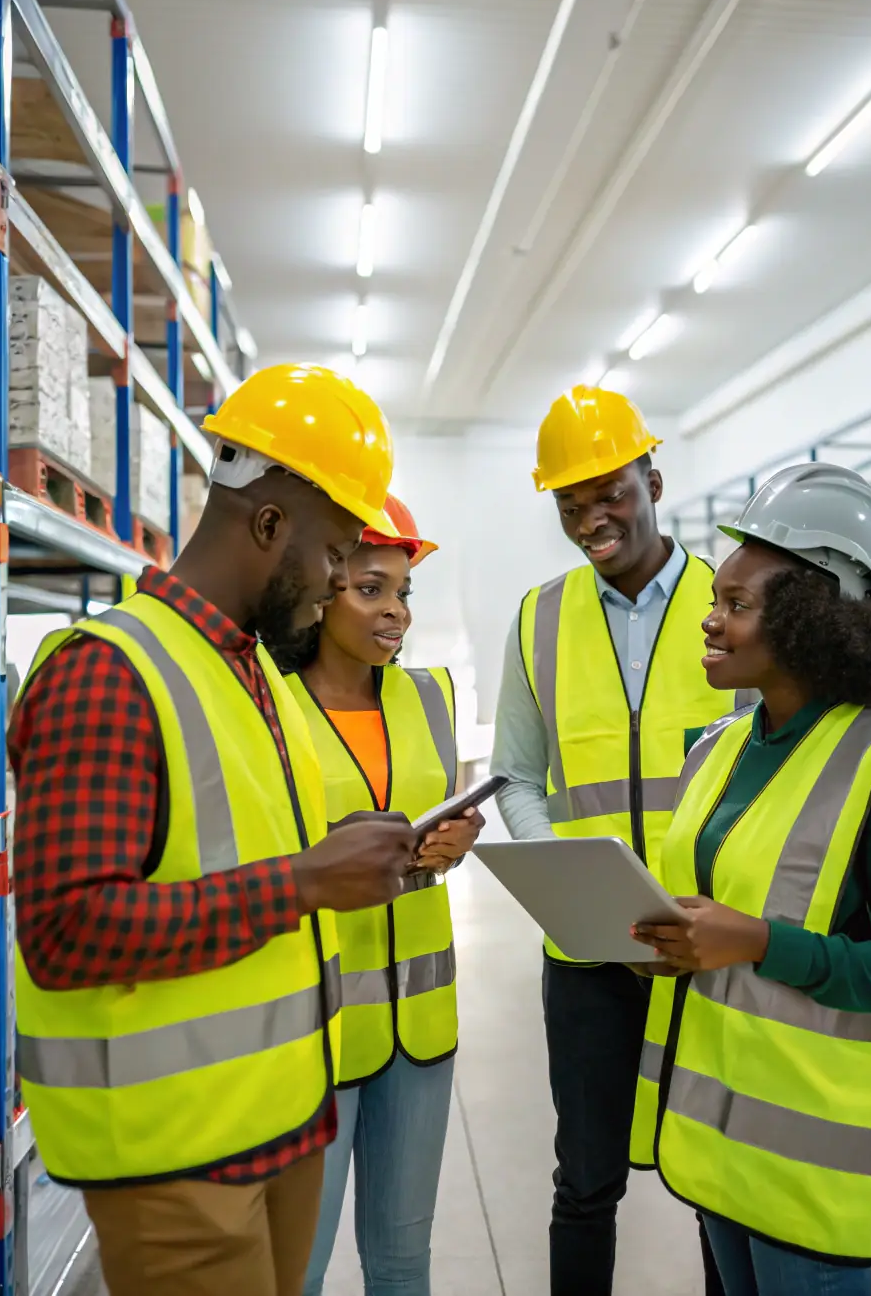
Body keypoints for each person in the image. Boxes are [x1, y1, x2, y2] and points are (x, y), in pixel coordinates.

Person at [10, 365, 420, 1296]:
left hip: (280, 1120)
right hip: (176, 1161)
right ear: (269, 525)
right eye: (333, 554)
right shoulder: (108, 673)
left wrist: (343, 849)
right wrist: (308, 883)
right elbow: (67, 930)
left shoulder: (255, 672)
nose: (335, 584)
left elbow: (239, 846)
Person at [628, 461, 871, 1296]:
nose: (709, 620)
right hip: (719, 1138)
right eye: (719, 597)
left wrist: (759, 942)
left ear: (819, 624)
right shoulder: (717, 750)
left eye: (737, 606)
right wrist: (671, 945)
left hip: (812, 1168)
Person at [491, 384, 741, 1296]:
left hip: (713, 947)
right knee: (585, 1180)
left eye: (609, 490)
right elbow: (518, 774)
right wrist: (569, 892)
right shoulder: (538, 618)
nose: (590, 514)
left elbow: (777, 771)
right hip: (592, 955)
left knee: (723, 1182)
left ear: (653, 478)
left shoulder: (734, 601)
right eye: (569, 500)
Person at [266, 494, 483, 1296]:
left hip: (421, 1028)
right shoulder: (272, 704)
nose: (395, 612)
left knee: (401, 1262)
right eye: (371, 588)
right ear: (323, 589)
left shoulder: (430, 696)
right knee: (301, 1268)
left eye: (403, 592)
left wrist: (454, 844)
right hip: (315, 1032)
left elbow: (435, 824)